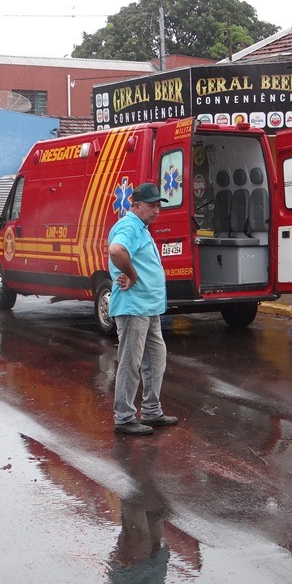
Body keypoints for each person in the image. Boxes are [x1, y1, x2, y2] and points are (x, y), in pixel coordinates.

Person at [108, 182, 179, 436]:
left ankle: (151, 410)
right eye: (151, 206)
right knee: (131, 363)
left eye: (159, 205)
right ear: (136, 206)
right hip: (133, 307)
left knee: (155, 360)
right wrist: (132, 274)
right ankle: (124, 417)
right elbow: (116, 250)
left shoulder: (141, 227)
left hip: (149, 308)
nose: (157, 210)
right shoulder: (129, 225)